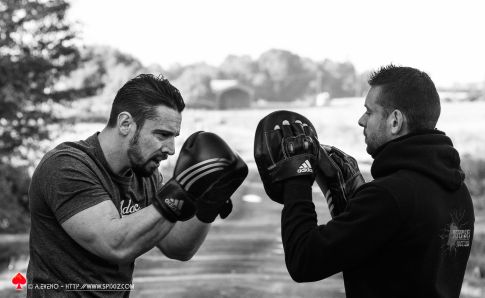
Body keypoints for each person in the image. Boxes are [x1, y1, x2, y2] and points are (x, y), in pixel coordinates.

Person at [254, 65, 474, 297]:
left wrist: (297, 176)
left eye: (369, 112)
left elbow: (304, 260)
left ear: (395, 121)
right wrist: (351, 203)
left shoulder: (389, 196)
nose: (361, 120)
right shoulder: (458, 191)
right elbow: (392, 256)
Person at [27, 74, 247, 297]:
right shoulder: (67, 166)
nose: (171, 149)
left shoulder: (145, 175)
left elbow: (177, 246)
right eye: (162, 134)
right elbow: (115, 244)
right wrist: (180, 191)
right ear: (125, 124)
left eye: (174, 137)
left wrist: (206, 203)